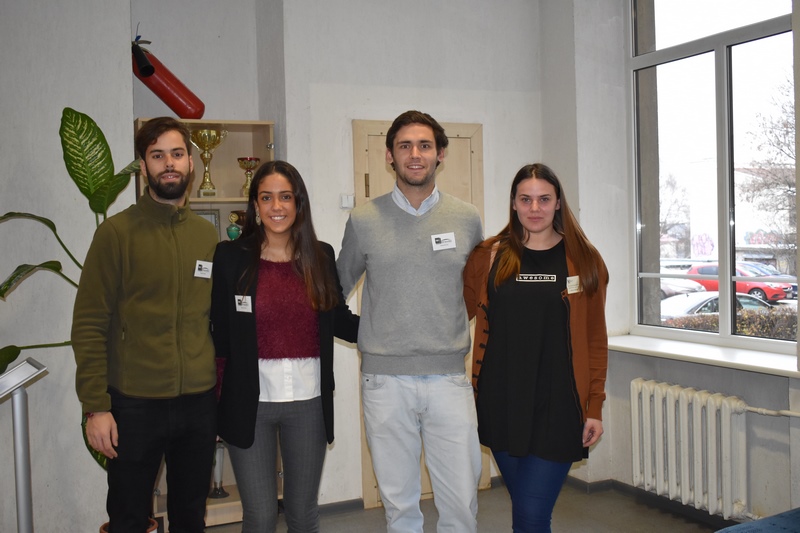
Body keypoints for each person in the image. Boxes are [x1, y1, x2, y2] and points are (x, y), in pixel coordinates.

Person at [337, 110, 484, 532]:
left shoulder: (467, 218)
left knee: (461, 502)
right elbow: (333, 291)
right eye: (405, 146)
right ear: (390, 156)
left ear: (440, 154)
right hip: (385, 383)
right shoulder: (363, 220)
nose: (415, 154)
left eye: (424, 146)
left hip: (448, 379)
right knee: (399, 506)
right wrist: (367, 333)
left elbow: (478, 292)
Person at [72, 116, 219, 533]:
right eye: (157, 155)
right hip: (134, 404)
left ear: (190, 163)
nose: (169, 163)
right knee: (129, 519)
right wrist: (96, 406)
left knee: (191, 517)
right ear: (143, 166)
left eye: (177, 154)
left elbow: (216, 320)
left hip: (197, 401)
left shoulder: (206, 236)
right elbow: (89, 323)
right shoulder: (116, 234)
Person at [211, 160, 359, 533]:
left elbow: (339, 319)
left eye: (285, 197)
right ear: (255, 205)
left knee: (303, 514)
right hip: (249, 404)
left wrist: (391, 329)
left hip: (308, 402)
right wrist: (214, 404)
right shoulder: (230, 257)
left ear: (298, 203)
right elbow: (220, 336)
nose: (276, 206)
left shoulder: (320, 256)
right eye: (266, 198)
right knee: (260, 516)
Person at [463, 163, 609, 533]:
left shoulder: (584, 260)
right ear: (513, 203)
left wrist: (594, 406)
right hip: (501, 400)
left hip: (560, 404)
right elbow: (451, 314)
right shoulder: (489, 256)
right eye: (525, 199)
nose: (535, 208)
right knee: (528, 513)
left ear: (558, 202)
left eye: (544, 199)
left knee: (530, 514)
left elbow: (595, 339)